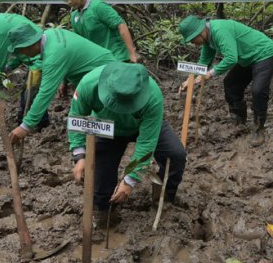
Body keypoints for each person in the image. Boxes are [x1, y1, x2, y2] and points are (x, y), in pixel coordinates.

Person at [68, 62, 187, 224]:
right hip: (106, 128)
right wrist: (79, 154)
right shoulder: (89, 84)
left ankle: (163, 198)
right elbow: (76, 116)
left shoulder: (153, 96)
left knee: (176, 154)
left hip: (142, 126)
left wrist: (130, 179)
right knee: (101, 179)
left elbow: (146, 142)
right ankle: (105, 213)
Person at [6, 24, 116, 144]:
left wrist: (26, 126)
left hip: (106, 77)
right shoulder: (50, 34)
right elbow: (72, 55)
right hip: (100, 70)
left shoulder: (53, 56)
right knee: (92, 116)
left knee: (108, 120)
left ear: (30, 44)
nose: (22, 53)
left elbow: (45, 93)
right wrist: (64, 80)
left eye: (21, 49)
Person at [178, 16, 273, 145]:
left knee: (258, 90)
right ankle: (239, 119)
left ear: (200, 31)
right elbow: (203, 62)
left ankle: (258, 127)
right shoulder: (208, 38)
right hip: (246, 57)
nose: (193, 43)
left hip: (264, 53)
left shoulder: (219, 30)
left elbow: (231, 58)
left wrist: (210, 73)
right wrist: (189, 80)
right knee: (231, 84)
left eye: (192, 39)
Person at [60, 0, 139, 63]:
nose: (69, 2)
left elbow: (121, 25)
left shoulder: (98, 7)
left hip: (117, 58)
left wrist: (132, 53)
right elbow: (80, 42)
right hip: (98, 62)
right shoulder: (74, 16)